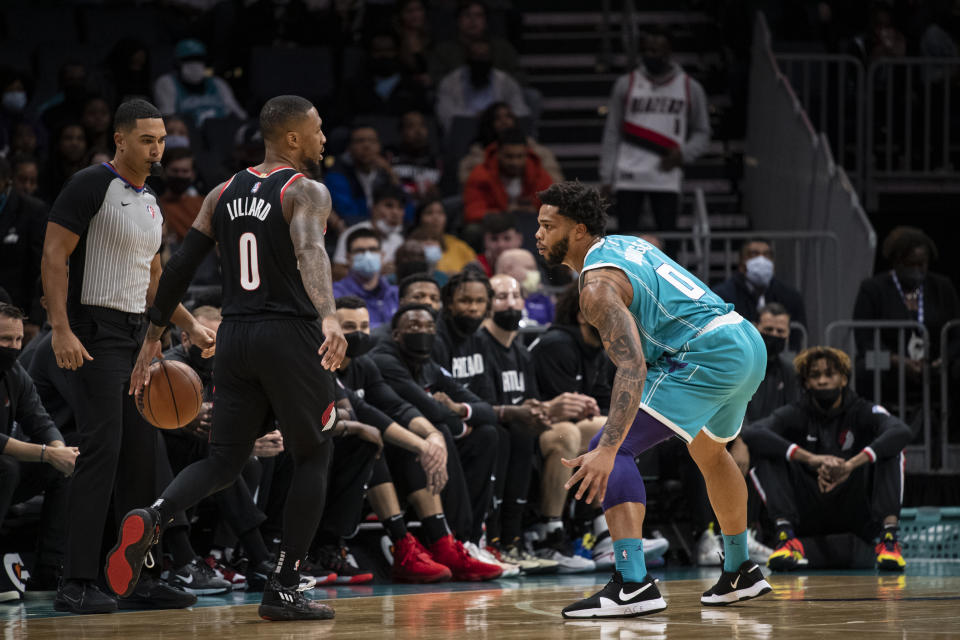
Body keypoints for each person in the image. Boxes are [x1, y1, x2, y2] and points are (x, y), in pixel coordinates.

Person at [101, 95, 347, 621]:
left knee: (223, 460)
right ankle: (283, 587)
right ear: (293, 138)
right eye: (319, 129)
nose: (325, 139)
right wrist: (329, 315)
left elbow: (180, 267)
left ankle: (157, 514)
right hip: (290, 336)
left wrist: (152, 340)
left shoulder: (221, 192)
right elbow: (311, 252)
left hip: (234, 337)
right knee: (314, 456)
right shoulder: (306, 190)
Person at [534, 181, 772, 618]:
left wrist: (607, 448)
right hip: (744, 340)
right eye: (539, 225)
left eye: (549, 226)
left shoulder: (597, 289)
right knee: (709, 451)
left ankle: (632, 584)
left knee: (609, 449)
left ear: (580, 230)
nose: (539, 234)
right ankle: (739, 571)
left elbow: (633, 367)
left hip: (708, 353)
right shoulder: (624, 245)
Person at [41, 98, 213, 615]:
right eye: (146, 139)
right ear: (120, 139)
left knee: (143, 458)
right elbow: (53, 256)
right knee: (103, 451)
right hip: (93, 333)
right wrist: (60, 329)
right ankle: (75, 580)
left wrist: (191, 325)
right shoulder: (89, 185)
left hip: (138, 337)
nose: (156, 148)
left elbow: (155, 280)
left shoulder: (151, 201)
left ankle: (135, 579)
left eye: (161, 140)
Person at [334, 296, 503, 581]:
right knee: (370, 440)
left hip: (357, 456)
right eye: (349, 326)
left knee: (410, 441)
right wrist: (425, 441)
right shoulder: (322, 365)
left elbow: (393, 407)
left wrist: (430, 437)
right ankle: (403, 544)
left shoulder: (363, 365)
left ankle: (444, 542)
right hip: (320, 454)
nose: (360, 333)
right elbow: (367, 415)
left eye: (364, 326)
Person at [742, 346, 913, 572]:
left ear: (843, 379)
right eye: (815, 375)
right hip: (809, 507)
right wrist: (812, 459)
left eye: (829, 374)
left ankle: (889, 539)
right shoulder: (796, 411)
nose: (822, 381)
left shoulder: (862, 409)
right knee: (764, 450)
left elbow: (901, 431)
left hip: (855, 506)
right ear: (806, 383)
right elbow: (753, 432)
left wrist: (850, 465)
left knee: (893, 448)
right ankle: (785, 537)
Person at [478, 275, 590, 573]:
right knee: (557, 432)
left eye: (516, 296)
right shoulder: (478, 345)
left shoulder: (521, 352)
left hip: (520, 429)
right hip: (493, 431)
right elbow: (484, 405)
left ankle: (596, 527)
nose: (511, 302)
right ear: (486, 304)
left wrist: (551, 408)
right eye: (502, 296)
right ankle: (534, 532)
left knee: (603, 429)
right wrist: (549, 410)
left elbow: (529, 403)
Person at [370, 304, 501, 554]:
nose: (423, 331)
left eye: (429, 326)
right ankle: (454, 538)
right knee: (438, 430)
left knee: (487, 435)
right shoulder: (384, 360)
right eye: (414, 326)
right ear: (396, 333)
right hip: (395, 449)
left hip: (427, 445)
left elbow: (485, 409)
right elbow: (431, 411)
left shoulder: (429, 364)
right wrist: (460, 426)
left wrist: (460, 409)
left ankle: (472, 539)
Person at [0, 303, 79, 597]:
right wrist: (47, 453)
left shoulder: (14, 372)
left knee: (63, 467)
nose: (14, 346)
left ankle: (48, 573)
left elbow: (40, 419)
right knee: (5, 467)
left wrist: (59, 450)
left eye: (19, 340)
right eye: (6, 340)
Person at [599, 28, 710, 235]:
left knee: (668, 242)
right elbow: (612, 132)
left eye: (658, 50)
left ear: (670, 52)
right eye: (648, 50)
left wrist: (684, 154)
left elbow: (703, 132)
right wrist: (607, 177)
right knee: (626, 240)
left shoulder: (689, 87)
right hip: (628, 174)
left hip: (666, 174)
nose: (653, 56)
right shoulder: (626, 84)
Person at [852, 226, 960, 406]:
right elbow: (864, 341)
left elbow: (957, 335)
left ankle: (952, 431)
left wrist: (943, 359)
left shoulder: (942, 287)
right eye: (911, 264)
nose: (917, 270)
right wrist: (897, 360)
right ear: (896, 262)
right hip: (891, 362)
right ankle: (873, 426)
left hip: (934, 363)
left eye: (922, 264)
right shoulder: (872, 289)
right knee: (866, 366)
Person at [713, 238, 807, 351]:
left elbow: (798, 339)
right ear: (742, 262)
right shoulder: (722, 296)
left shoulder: (790, 297)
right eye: (754, 254)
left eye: (766, 255)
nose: (761, 259)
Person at [462, 127, 553, 225]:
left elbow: (554, 209)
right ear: (498, 154)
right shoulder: (480, 175)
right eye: (509, 156)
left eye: (520, 156)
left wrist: (535, 212)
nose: (515, 162)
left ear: (526, 154)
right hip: (494, 227)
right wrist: (505, 213)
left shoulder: (539, 175)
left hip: (531, 225)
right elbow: (472, 212)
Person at [435, 39, 528, 133]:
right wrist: (476, 116)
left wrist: (500, 117)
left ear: (491, 59)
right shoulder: (450, 82)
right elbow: (445, 114)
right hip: (466, 130)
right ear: (467, 58)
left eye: (483, 56)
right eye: (475, 56)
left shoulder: (505, 81)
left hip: (500, 131)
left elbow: (520, 110)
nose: (480, 61)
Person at [459, 101, 563, 185]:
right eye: (498, 118)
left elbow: (555, 183)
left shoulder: (538, 151)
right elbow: (469, 184)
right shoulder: (476, 155)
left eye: (508, 116)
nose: (504, 121)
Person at [153, 39, 247, 127]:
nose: (194, 64)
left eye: (199, 59)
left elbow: (239, 115)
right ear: (178, 63)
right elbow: (168, 119)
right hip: (189, 138)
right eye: (188, 59)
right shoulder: (167, 83)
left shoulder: (218, 83)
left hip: (222, 135)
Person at [0, 156, 46, 326]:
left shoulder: (32, 210)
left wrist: (35, 319)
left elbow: (41, 268)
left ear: (6, 181)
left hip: (18, 312)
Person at [324, 124, 396, 227]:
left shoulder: (385, 174)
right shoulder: (337, 175)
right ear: (349, 148)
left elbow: (404, 211)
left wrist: (392, 174)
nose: (366, 145)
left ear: (379, 146)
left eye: (372, 141)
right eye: (360, 141)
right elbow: (348, 215)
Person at [430, 1, 520, 82]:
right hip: (456, 96)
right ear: (458, 20)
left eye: (478, 15)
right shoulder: (443, 50)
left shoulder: (503, 48)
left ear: (486, 22)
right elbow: (436, 78)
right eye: (467, 15)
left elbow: (519, 75)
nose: (472, 20)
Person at [333, 183, 407, 280]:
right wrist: (375, 273)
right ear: (374, 208)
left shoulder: (399, 240)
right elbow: (337, 272)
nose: (395, 213)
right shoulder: (353, 233)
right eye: (389, 206)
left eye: (400, 207)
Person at [333, 227, 399, 328]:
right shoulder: (334, 295)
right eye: (360, 251)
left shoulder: (396, 294)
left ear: (382, 256)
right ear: (348, 258)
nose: (367, 256)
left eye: (373, 250)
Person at [385, 110, 442, 204]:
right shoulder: (390, 158)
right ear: (401, 132)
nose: (418, 131)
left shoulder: (437, 161)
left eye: (422, 125)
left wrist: (437, 194)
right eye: (411, 126)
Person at [407, 199, 476, 275]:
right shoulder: (411, 246)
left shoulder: (458, 245)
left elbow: (476, 270)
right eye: (429, 213)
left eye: (440, 213)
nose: (436, 217)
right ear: (419, 218)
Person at [494, 247, 553, 325]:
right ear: (508, 269)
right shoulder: (492, 299)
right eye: (529, 268)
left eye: (535, 269)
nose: (536, 273)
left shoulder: (543, 298)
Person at [158, 147, 205, 243]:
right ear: (163, 172)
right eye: (175, 171)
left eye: (185, 171)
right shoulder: (155, 207)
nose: (179, 175)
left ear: (193, 175)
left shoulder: (205, 205)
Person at [474, 211, 523, 277]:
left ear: (519, 239)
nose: (501, 245)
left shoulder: (529, 265)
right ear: (485, 240)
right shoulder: (475, 268)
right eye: (494, 239)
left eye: (507, 238)